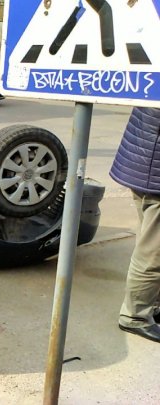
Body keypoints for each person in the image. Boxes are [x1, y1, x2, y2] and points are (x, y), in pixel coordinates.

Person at [110, 107, 160, 343]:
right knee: (153, 254)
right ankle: (135, 317)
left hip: (143, 164)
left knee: (149, 242)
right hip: (153, 170)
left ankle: (151, 304)